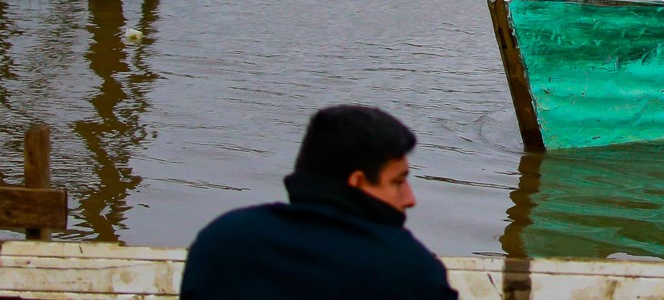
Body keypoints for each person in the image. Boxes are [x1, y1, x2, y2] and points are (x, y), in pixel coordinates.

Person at [180, 105, 457, 300]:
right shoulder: (409, 270)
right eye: (398, 182)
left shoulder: (220, 241)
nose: (410, 199)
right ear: (357, 182)